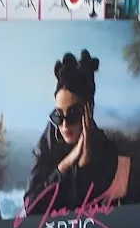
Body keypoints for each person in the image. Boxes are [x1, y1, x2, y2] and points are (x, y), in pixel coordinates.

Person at [24, 50, 130, 213]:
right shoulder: (46, 144)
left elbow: (91, 209)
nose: (64, 125)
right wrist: (65, 165)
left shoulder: (106, 149)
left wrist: (84, 160)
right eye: (58, 116)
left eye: (73, 115)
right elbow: (31, 206)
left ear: (89, 110)